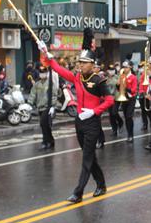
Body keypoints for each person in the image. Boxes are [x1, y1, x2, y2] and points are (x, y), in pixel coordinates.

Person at [39, 40, 114, 204]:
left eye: (84, 62)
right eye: (80, 62)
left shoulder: (99, 80)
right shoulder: (78, 77)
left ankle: (78, 192)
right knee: (90, 156)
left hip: (92, 123)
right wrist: (48, 56)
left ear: (92, 64)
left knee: (86, 159)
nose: (80, 65)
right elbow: (59, 70)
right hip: (79, 122)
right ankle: (101, 184)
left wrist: (94, 112)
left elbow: (109, 100)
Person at [27, 66, 58, 150]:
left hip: (48, 107)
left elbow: (54, 95)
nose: (42, 74)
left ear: (47, 73)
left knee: (44, 124)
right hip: (40, 107)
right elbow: (33, 94)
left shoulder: (51, 84)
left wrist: (53, 106)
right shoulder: (37, 84)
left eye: (44, 73)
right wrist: (29, 103)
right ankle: (51, 140)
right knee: (46, 125)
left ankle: (45, 142)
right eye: (41, 73)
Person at [118, 61, 138, 143]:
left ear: (130, 68)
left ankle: (131, 135)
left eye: (126, 67)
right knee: (126, 117)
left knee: (129, 117)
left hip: (131, 99)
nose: (125, 69)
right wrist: (118, 85)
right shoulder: (122, 76)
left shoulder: (133, 77)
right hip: (124, 99)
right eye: (124, 67)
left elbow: (133, 90)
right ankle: (128, 134)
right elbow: (118, 89)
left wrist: (125, 87)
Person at [105, 64, 123, 136]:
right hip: (109, 98)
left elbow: (120, 86)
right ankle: (114, 130)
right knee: (111, 115)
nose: (111, 72)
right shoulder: (106, 79)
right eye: (110, 70)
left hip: (116, 97)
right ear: (107, 71)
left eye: (112, 70)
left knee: (114, 112)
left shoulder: (117, 77)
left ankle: (120, 121)